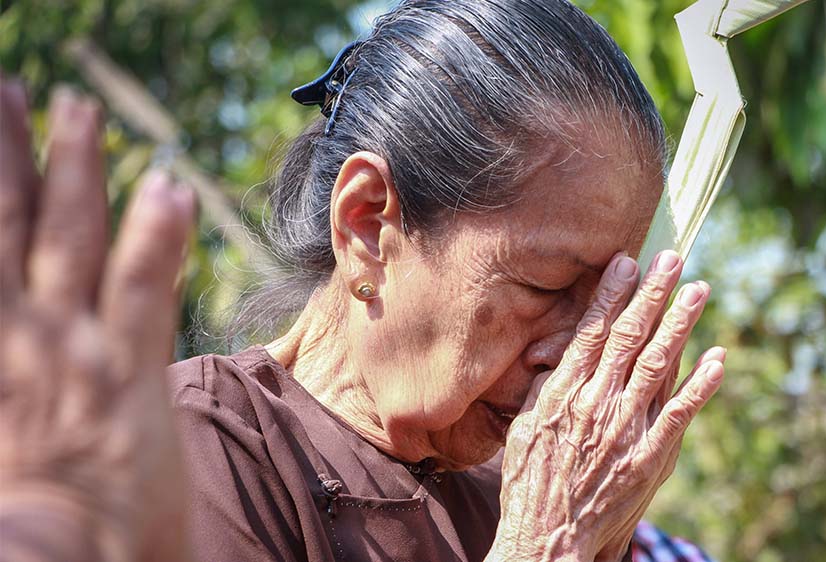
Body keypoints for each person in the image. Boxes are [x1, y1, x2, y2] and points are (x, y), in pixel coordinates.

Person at [0, 1, 727, 560]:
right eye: (545, 287)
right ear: (369, 224)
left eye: (607, 306)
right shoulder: (193, 454)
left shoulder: (516, 492)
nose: (571, 355)